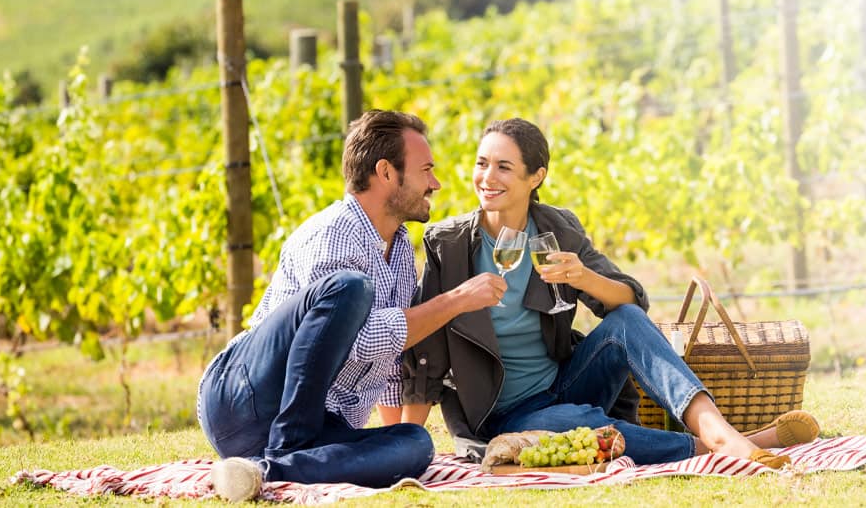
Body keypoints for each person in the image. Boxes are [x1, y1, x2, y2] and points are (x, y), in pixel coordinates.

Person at [383, 117, 818, 468]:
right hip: (504, 415)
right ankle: (720, 448)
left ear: (537, 176)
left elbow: (632, 302)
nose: (486, 177)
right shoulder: (449, 244)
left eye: (503, 167)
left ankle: (715, 431)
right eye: (481, 164)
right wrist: (410, 445)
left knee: (624, 323)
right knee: (577, 423)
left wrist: (582, 278)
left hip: (566, 383)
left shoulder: (557, 229)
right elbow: (427, 353)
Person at [195, 110, 511, 501]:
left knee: (415, 445)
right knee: (350, 288)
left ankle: (261, 470)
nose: (436, 183)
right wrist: (458, 300)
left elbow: (389, 361)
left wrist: (392, 433)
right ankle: (289, 446)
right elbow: (356, 342)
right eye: (426, 170)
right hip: (243, 399)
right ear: (386, 173)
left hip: (316, 423)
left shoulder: (397, 251)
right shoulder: (333, 233)